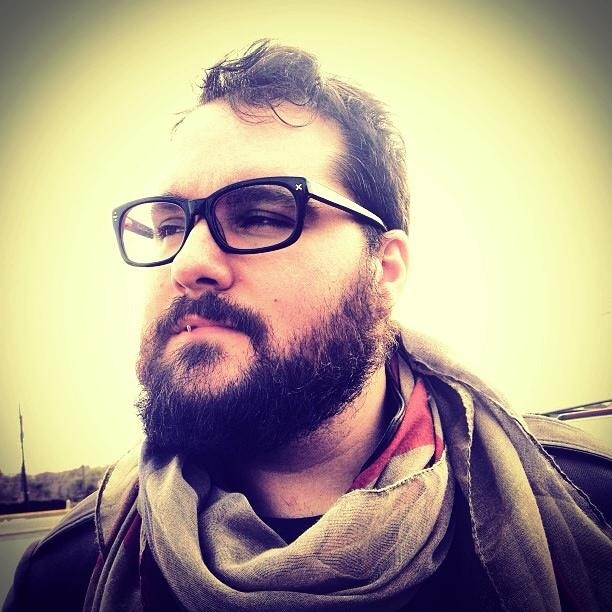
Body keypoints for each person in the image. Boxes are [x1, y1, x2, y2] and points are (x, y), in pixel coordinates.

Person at [4, 40, 611, 612]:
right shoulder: (63, 577)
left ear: (384, 270)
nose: (187, 263)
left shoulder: (589, 507)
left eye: (261, 216)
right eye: (167, 227)